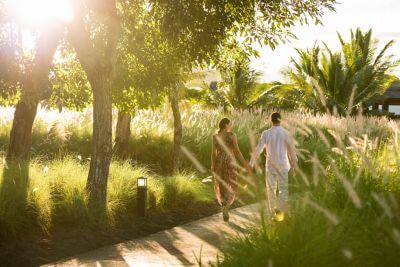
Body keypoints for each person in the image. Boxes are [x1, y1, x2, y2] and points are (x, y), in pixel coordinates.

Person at [250, 112, 297, 221]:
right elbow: (292, 152)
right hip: (283, 165)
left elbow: (258, 149)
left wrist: (251, 163)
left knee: (270, 190)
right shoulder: (286, 133)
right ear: (280, 120)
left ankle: (273, 214)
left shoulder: (266, 133)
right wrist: (295, 166)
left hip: (270, 166)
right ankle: (280, 214)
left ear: (271, 120)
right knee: (283, 190)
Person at [211, 118, 251, 222]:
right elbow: (237, 152)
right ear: (226, 125)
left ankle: (224, 205)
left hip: (219, 162)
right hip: (230, 162)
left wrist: (212, 165)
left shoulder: (215, 137)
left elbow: (213, 153)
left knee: (222, 184)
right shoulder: (232, 135)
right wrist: (245, 164)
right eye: (230, 124)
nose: (231, 125)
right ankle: (226, 207)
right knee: (231, 184)